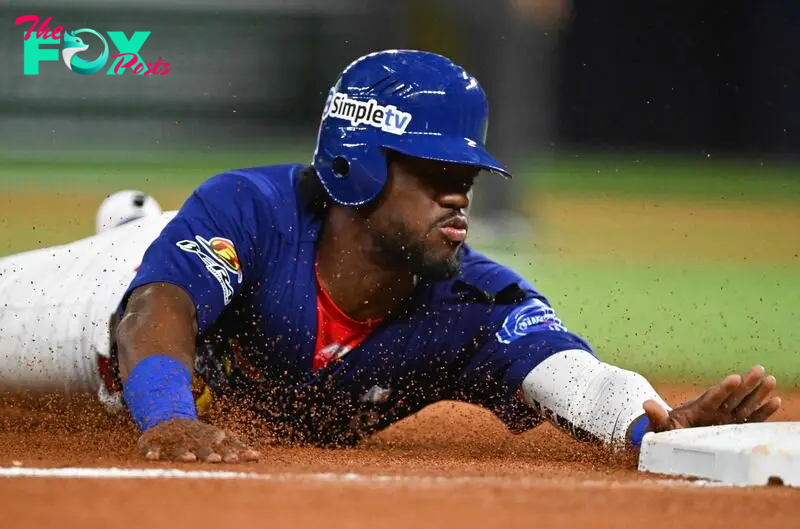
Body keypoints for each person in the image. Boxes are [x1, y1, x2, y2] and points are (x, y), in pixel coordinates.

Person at [0, 50, 781, 464]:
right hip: (101, 305)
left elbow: (570, 373)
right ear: (357, 164)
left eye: (467, 177)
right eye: (437, 173)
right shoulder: (257, 209)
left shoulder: (469, 303)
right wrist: (168, 417)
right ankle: (133, 224)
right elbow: (154, 306)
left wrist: (654, 427)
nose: (460, 196)